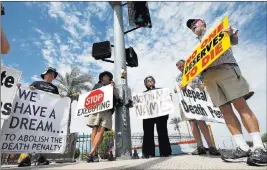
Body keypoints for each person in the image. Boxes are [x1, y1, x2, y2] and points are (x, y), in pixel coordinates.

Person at [186, 18, 267, 166]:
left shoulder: (217, 29)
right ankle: (242, 147)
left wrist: (230, 33)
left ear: (203, 22)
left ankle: (258, 147)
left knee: (240, 104)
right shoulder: (194, 47)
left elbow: (234, 39)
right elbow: (196, 68)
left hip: (225, 68)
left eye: (194, 23)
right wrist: (194, 82)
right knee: (225, 110)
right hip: (208, 78)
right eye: (190, 26)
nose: (192, 26)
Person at [17, 67, 63, 167]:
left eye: (53, 74)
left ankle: (40, 157)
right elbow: (26, 94)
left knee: (43, 135)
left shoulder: (55, 88)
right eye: (49, 73)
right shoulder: (36, 83)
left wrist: (62, 98)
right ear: (45, 74)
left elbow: (56, 101)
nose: (51, 75)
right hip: (34, 114)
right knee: (30, 134)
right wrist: (30, 89)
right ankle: (25, 157)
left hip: (47, 116)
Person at [174, 59, 220, 156]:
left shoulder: (196, 72)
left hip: (198, 101)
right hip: (187, 102)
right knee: (192, 124)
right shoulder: (178, 77)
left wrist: (202, 85)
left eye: (182, 66)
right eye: (179, 67)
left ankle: (211, 146)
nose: (181, 68)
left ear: (186, 65)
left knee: (201, 122)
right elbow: (178, 87)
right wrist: (179, 87)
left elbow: (202, 84)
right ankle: (200, 146)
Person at [86, 71, 120, 163]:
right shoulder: (97, 85)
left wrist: (113, 88)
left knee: (101, 131)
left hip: (107, 111)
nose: (105, 78)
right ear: (101, 78)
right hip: (96, 110)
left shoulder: (113, 87)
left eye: (107, 76)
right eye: (104, 76)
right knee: (94, 130)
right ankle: (94, 154)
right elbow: (90, 96)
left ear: (110, 79)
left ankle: (91, 152)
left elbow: (117, 98)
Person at [142, 76, 172, 158]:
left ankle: (165, 152)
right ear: (145, 84)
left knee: (162, 132)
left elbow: (167, 100)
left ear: (154, 82)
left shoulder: (160, 91)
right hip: (148, 116)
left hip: (160, 115)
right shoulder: (143, 94)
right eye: (147, 81)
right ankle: (148, 153)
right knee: (148, 134)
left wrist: (169, 96)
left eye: (151, 80)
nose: (149, 82)